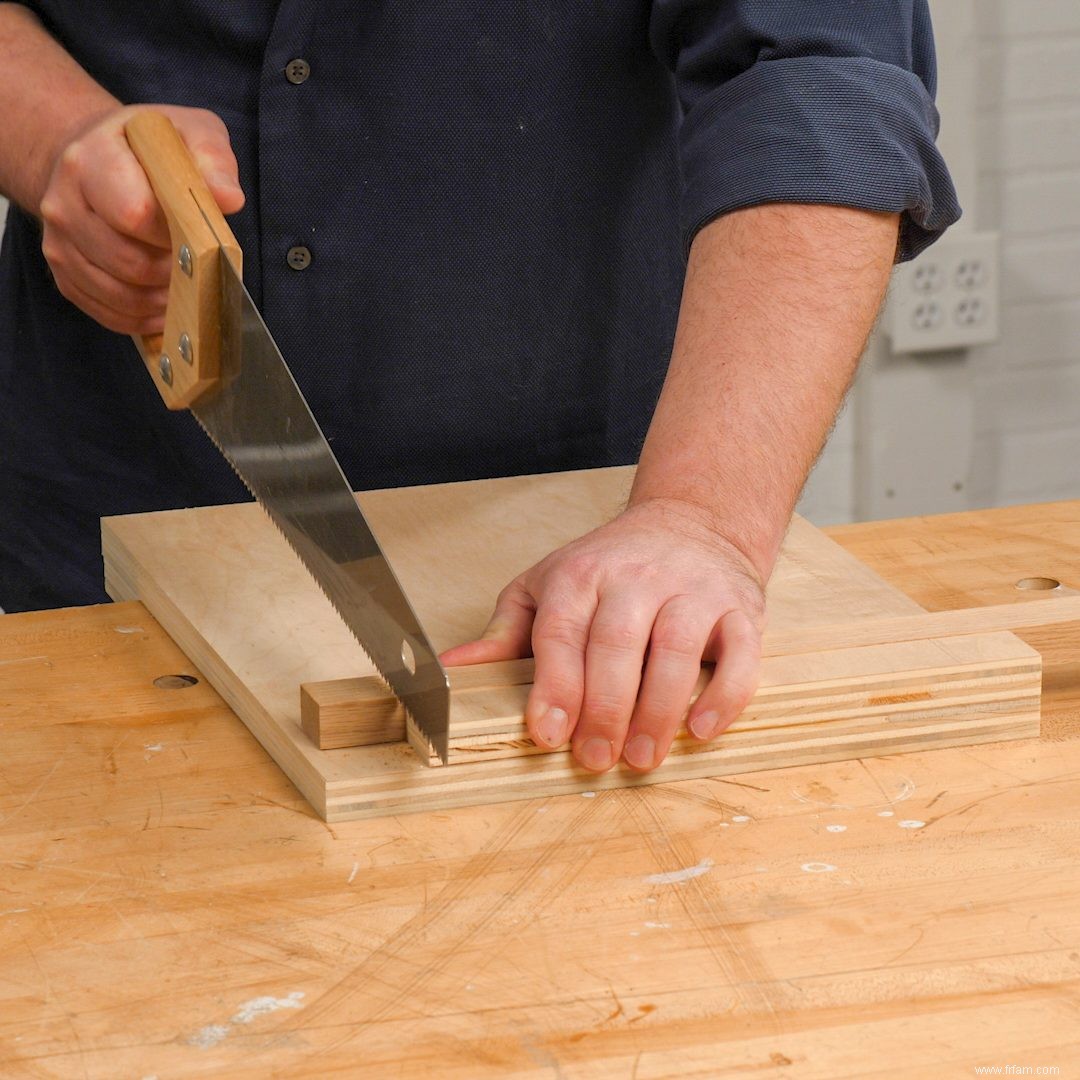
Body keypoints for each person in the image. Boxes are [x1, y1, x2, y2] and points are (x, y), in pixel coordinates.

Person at [0, 3, 959, 775]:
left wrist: (701, 519)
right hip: (97, 522)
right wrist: (59, 139)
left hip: (577, 561)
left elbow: (818, 79)